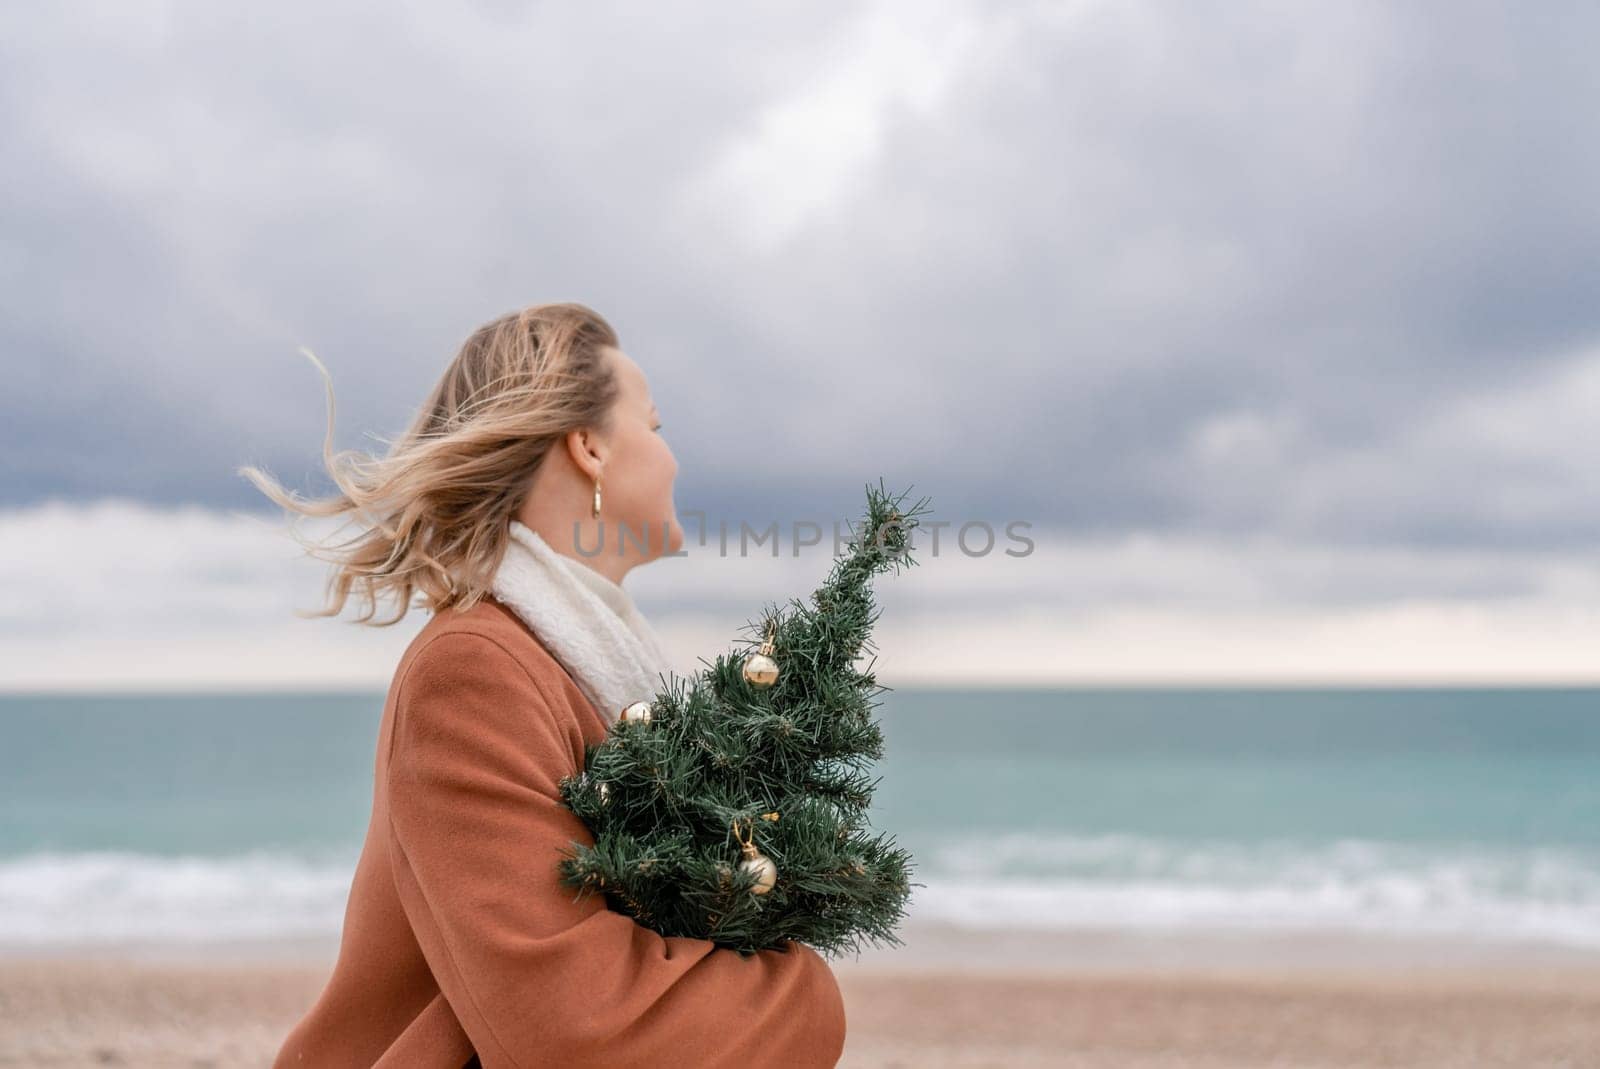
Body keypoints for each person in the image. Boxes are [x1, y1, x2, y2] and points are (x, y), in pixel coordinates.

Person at [241, 303, 847, 1067]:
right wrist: (806, 993)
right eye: (654, 427)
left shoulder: (582, 664)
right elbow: (573, 1026)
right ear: (589, 446)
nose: (673, 459)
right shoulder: (472, 670)